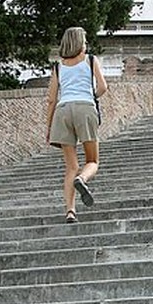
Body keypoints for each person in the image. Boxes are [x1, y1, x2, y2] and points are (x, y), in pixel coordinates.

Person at [46, 26, 108, 223]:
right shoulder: (90, 60)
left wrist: (48, 127)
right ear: (80, 43)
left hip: (62, 112)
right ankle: (82, 179)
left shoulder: (58, 66)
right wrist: (91, 96)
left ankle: (70, 211)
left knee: (71, 167)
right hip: (84, 108)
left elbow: (51, 100)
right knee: (92, 161)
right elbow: (102, 87)